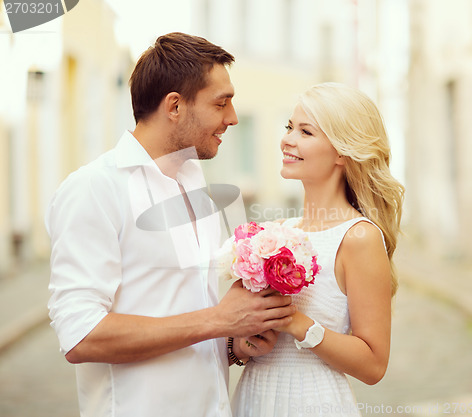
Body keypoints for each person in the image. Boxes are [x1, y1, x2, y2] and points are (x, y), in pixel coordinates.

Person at [45, 32, 295, 417]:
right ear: (174, 106)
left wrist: (233, 343)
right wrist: (218, 320)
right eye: (221, 102)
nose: (233, 117)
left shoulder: (195, 180)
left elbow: (189, 317)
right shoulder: (94, 189)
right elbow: (81, 337)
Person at [231, 82, 405, 416]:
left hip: (311, 402)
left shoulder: (359, 238)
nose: (288, 139)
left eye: (306, 132)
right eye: (289, 127)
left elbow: (373, 365)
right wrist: (246, 341)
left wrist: (298, 324)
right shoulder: (277, 233)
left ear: (342, 151)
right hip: (255, 397)